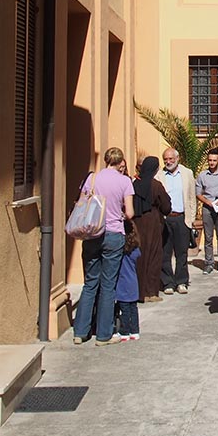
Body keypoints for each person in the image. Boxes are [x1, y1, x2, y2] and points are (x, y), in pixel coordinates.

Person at [72, 147, 135, 346]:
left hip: (92, 233)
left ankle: (80, 331)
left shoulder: (92, 178)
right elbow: (130, 212)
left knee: (90, 283)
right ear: (120, 162)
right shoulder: (124, 181)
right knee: (108, 285)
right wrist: (119, 214)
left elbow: (82, 202)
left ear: (106, 160)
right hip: (114, 233)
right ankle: (103, 334)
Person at [133, 156, 171, 302]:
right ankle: (151, 292)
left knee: (139, 257)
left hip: (137, 224)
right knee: (154, 256)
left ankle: (139, 292)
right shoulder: (156, 185)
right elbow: (166, 206)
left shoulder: (135, 183)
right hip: (154, 224)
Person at [157, 147, 196, 292]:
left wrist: (191, 219)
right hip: (166, 219)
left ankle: (181, 281)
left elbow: (192, 196)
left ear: (177, 158)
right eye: (165, 159)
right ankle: (167, 282)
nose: (168, 162)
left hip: (181, 218)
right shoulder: (159, 175)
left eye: (170, 159)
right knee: (165, 252)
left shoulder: (187, 173)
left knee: (182, 253)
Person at [195, 149, 218, 274]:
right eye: (210, 160)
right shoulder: (202, 175)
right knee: (208, 237)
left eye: (214, 160)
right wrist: (207, 202)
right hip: (208, 208)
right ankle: (209, 263)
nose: (212, 163)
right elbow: (198, 193)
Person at [115, 221, 142, 341]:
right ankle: (135, 330)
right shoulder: (135, 251)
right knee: (133, 308)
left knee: (124, 309)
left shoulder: (120, 252)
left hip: (122, 283)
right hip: (133, 282)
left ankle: (124, 331)